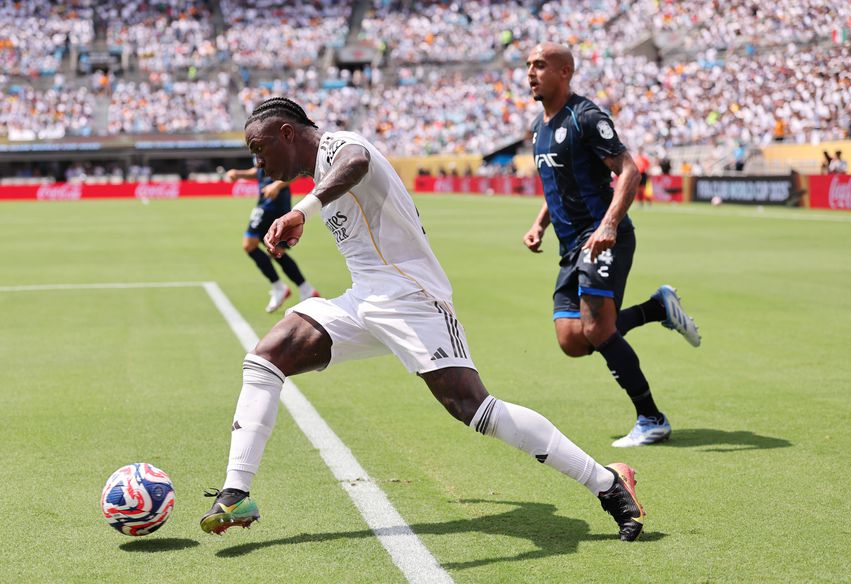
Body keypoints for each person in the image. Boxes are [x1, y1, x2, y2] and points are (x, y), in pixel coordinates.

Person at [200, 97, 647, 542]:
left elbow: (356, 161)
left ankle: (606, 483)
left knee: (474, 410)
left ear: (286, 133)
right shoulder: (319, 169)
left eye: (258, 149)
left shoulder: (340, 145)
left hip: (413, 297)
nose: (256, 162)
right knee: (265, 358)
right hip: (364, 300)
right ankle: (237, 491)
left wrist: (302, 211)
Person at [522, 43, 701, 448]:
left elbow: (629, 170)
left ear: (565, 71)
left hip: (603, 239)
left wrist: (609, 225)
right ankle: (657, 308)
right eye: (528, 66)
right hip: (571, 246)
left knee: (596, 327)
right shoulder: (539, 127)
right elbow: (558, 186)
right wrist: (539, 224)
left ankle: (651, 418)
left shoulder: (585, 117)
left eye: (540, 65)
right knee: (572, 340)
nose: (530, 73)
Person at [225, 163, 319, 312]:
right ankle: (306, 289)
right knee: (276, 249)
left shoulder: (274, 141)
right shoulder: (258, 144)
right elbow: (259, 171)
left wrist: (276, 186)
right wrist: (239, 173)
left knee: (250, 245)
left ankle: (279, 287)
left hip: (274, 203)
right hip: (266, 201)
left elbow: (297, 171)